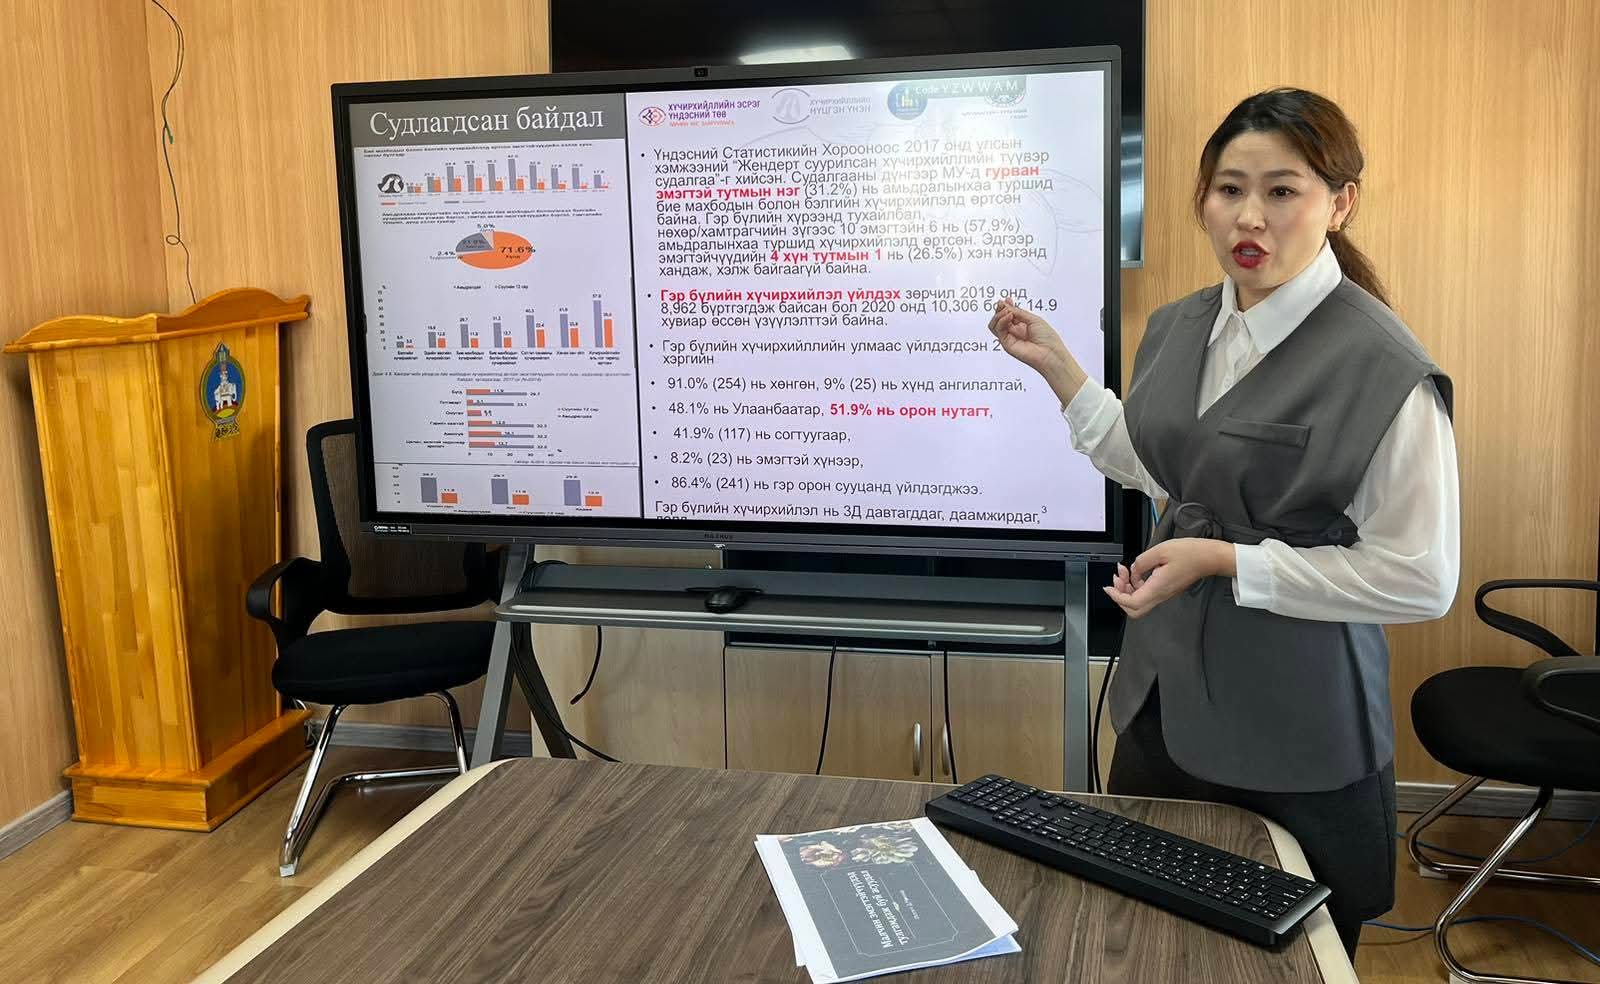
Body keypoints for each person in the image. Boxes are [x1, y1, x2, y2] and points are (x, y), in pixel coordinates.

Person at [986, 87, 1459, 957]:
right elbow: (1165, 467)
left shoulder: (1383, 367)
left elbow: (1420, 577)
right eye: (1229, 189)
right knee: (1142, 938)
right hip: (1162, 704)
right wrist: (1061, 371)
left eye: (1282, 191)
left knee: (1293, 959)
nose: (1250, 217)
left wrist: (1229, 562)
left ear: (1340, 202)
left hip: (1299, 727)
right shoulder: (1180, 326)